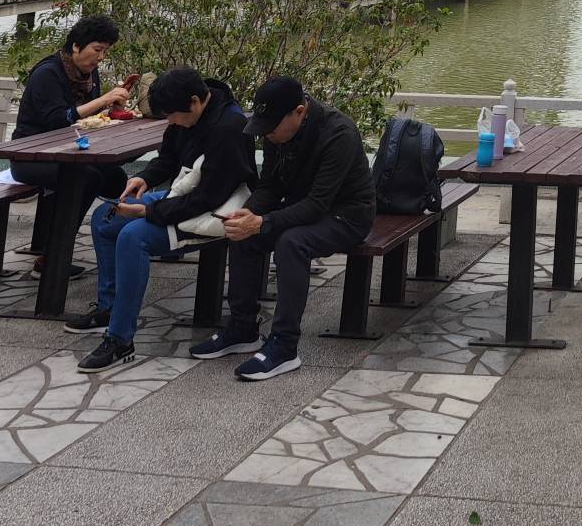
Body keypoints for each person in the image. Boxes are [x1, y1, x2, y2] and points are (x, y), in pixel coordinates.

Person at [66, 67, 255, 371]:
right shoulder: (184, 114)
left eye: (174, 116)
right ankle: (110, 307)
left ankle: (120, 338)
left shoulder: (228, 128)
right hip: (182, 195)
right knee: (105, 218)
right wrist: (144, 179)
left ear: (195, 101)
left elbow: (209, 197)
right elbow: (168, 159)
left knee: (133, 236)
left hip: (215, 211)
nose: (171, 122)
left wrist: (149, 212)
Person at [190, 76, 374, 381]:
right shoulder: (275, 130)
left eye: (272, 128)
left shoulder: (338, 132)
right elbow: (272, 186)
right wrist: (248, 213)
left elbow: (317, 205)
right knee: (243, 232)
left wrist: (262, 222)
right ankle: (242, 327)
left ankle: (285, 346)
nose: (267, 134)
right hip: (303, 207)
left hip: (347, 216)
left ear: (299, 112)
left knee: (291, 241)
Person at [9, 16, 132, 217]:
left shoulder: (89, 74)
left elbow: (86, 117)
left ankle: (70, 232)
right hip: (30, 156)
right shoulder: (48, 73)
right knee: (86, 179)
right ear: (76, 46)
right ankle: (58, 240)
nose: (101, 57)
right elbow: (57, 119)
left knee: (115, 177)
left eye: (105, 51)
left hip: (70, 150)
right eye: (97, 50)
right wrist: (102, 100)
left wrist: (113, 109)